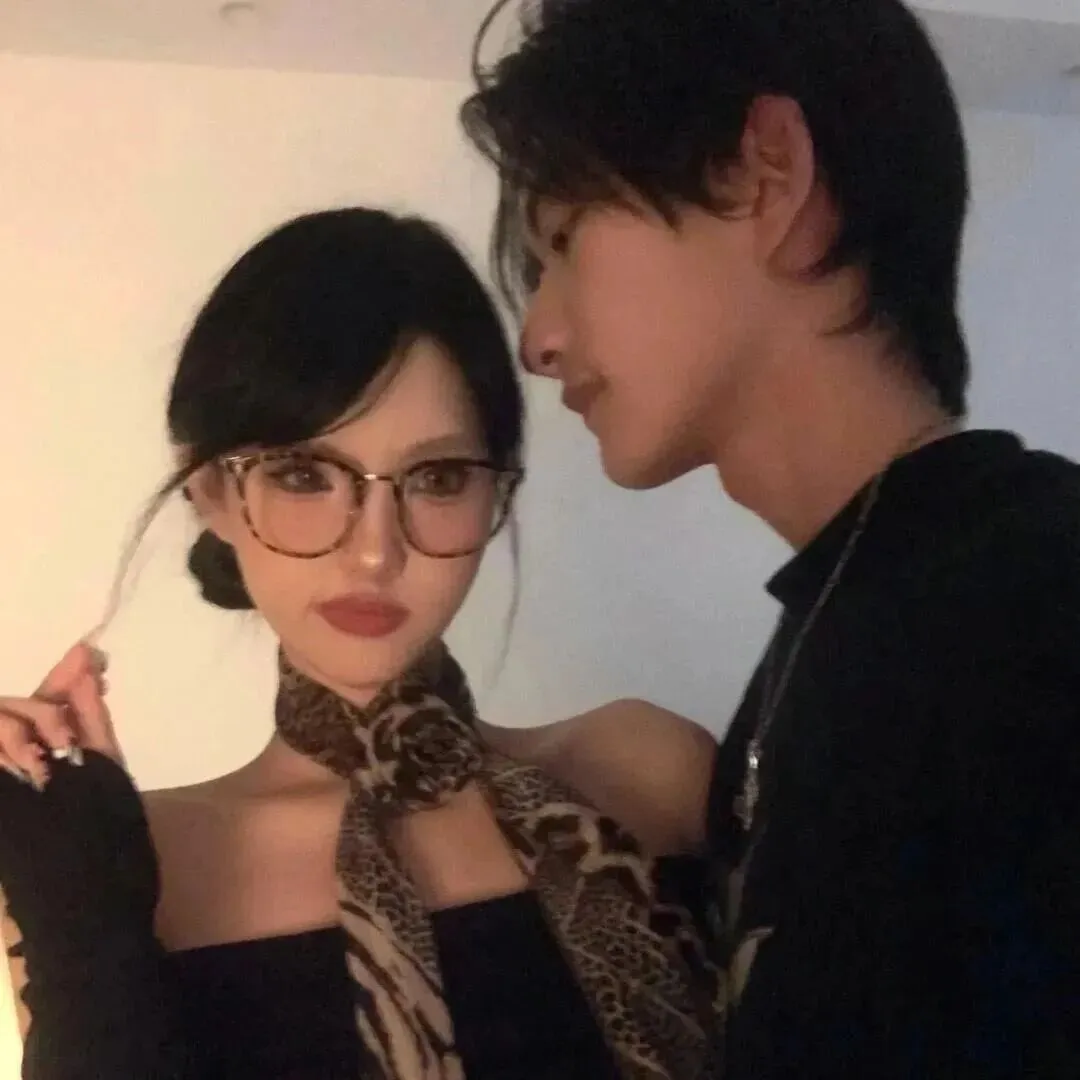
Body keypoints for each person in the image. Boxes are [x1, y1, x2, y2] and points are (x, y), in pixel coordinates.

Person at [456, 0, 1080, 1077]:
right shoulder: (821, 644)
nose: (539, 338)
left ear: (768, 174)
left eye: (563, 241)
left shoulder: (1038, 601)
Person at [0, 208, 722, 1080]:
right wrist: (79, 910)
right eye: (305, 475)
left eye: (438, 477)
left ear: (498, 494)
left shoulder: (647, 773)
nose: (375, 551)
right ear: (211, 490)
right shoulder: (125, 878)